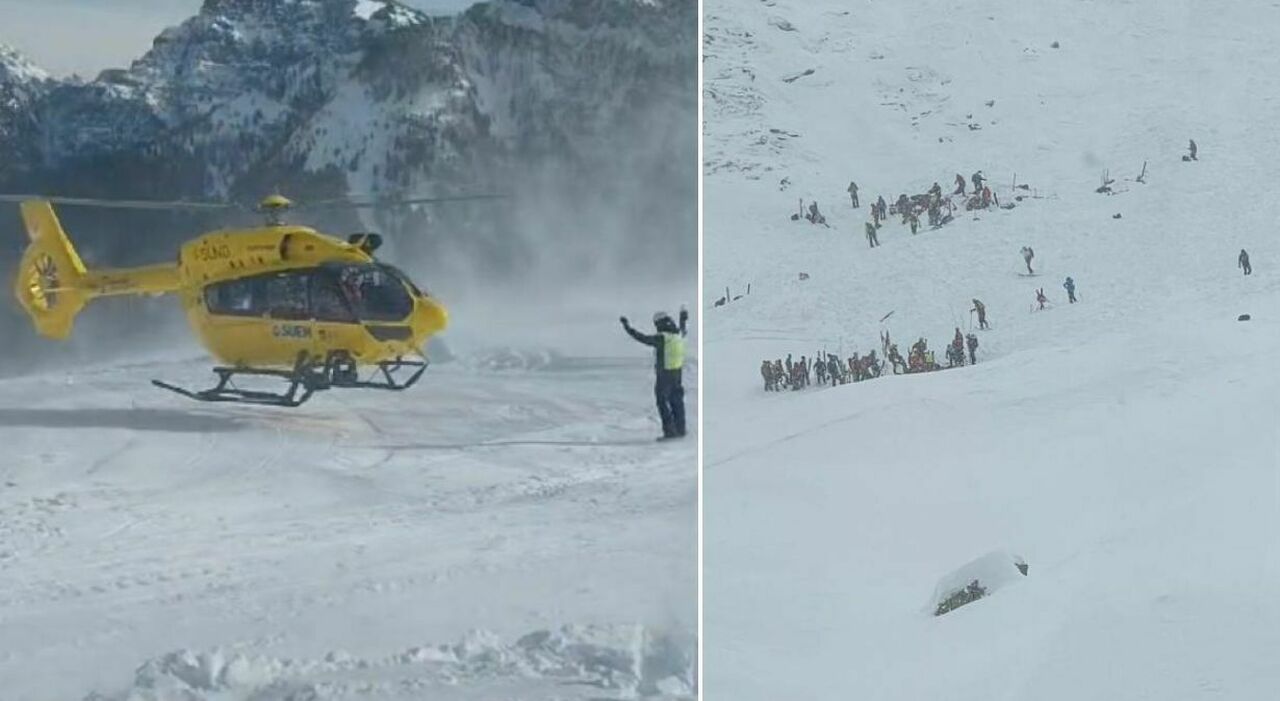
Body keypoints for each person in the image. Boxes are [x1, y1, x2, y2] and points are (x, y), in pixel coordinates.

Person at [620, 308, 689, 439]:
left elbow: (642, 338)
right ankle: (681, 429)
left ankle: (670, 432)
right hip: (677, 373)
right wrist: (683, 317)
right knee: (677, 402)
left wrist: (627, 327)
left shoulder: (663, 337)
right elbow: (683, 328)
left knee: (662, 402)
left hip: (665, 375)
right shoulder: (677, 334)